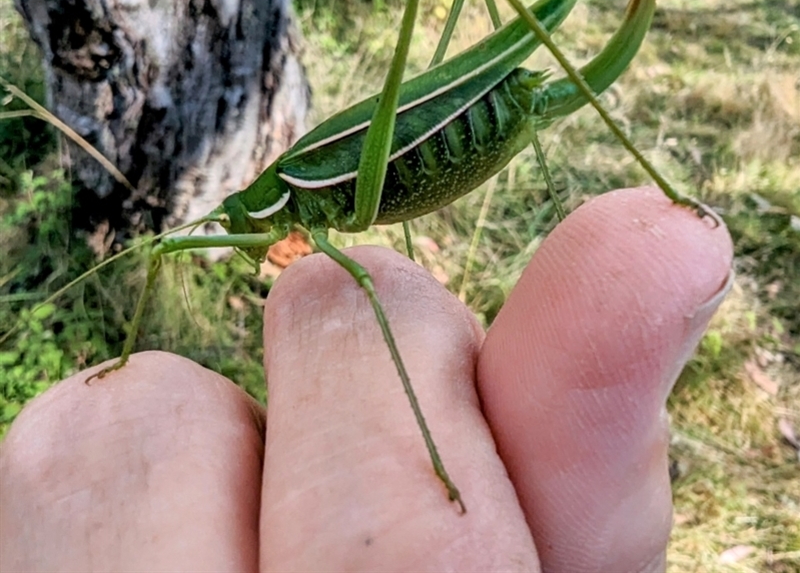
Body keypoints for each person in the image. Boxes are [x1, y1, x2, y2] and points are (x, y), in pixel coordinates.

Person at [0, 187, 733, 572]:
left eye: (238, 221)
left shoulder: (301, 213)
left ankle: (437, 459)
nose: (240, 232)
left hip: (395, 155)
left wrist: (435, 471)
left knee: (367, 296)